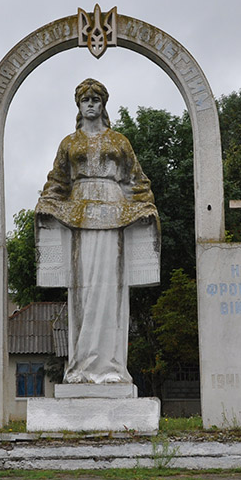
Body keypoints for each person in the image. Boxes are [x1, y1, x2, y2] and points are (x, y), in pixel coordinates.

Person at [35, 78, 159, 384]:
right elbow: (57, 182)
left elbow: (137, 180)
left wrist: (144, 207)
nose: (90, 105)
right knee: (82, 289)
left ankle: (112, 366)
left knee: (111, 287)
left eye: (95, 100)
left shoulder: (119, 141)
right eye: (85, 100)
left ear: (103, 105)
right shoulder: (69, 143)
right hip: (79, 215)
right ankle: (80, 366)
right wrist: (47, 204)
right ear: (78, 106)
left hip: (113, 212)